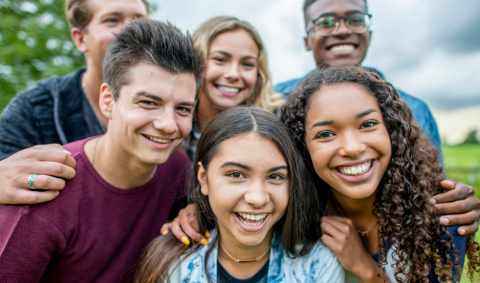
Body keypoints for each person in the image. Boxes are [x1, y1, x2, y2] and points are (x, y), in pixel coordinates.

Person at [0, 19, 204, 282]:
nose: (167, 125)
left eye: (183, 109)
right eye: (148, 102)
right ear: (108, 100)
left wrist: (192, 215)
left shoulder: (176, 167)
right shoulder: (45, 192)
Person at [271, 0, 480, 236]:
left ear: (369, 34)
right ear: (307, 40)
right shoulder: (277, 102)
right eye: (326, 22)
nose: (342, 30)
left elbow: (427, 187)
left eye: (355, 19)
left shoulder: (413, 108)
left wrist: (454, 206)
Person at [280, 65, 480, 282]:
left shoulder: (439, 218)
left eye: (368, 124)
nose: (352, 148)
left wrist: (366, 270)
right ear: (302, 147)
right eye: (325, 134)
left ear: (391, 130)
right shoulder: (295, 217)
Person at [135, 107, 344, 283]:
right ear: (203, 177)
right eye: (236, 174)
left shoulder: (318, 268)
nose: (258, 198)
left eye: (276, 176)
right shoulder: (173, 265)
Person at [0, 0, 150, 204]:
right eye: (112, 20)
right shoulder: (34, 110)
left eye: (139, 20)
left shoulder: (176, 109)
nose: (131, 31)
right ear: (80, 38)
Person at [184, 16, 285, 161]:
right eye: (220, 60)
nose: (233, 74)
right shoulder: (173, 124)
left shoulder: (282, 124)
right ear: (195, 62)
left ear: (258, 73)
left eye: (247, 64)